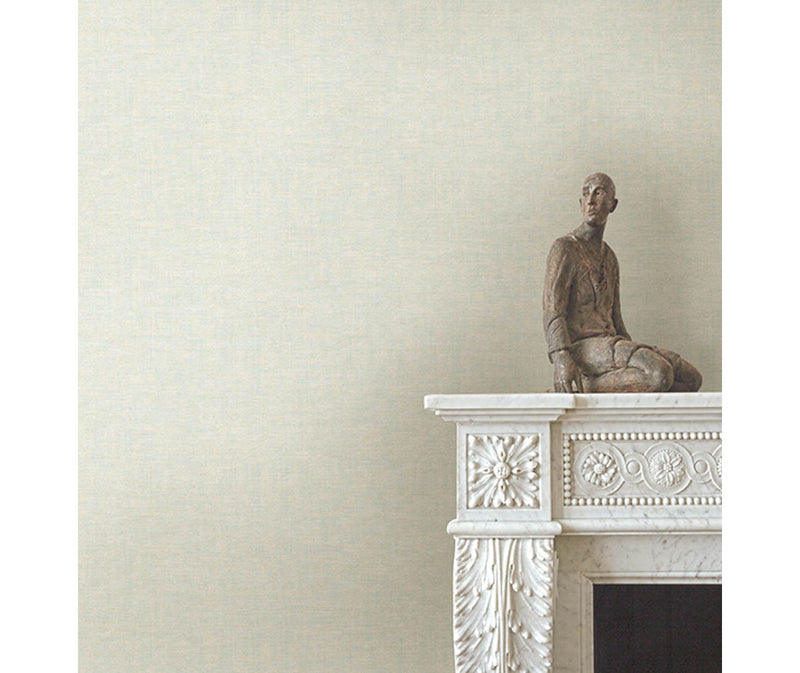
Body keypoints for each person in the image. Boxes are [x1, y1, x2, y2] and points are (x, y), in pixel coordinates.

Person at [542, 172, 702, 393]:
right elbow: (552, 310)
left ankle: (597, 385)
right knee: (659, 374)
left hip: (612, 346)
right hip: (583, 349)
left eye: (599, 193)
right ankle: (582, 386)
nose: (591, 201)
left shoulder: (609, 258)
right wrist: (561, 356)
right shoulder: (565, 248)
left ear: (612, 204)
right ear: (580, 203)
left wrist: (633, 353)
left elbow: (616, 318)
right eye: (586, 194)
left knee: (691, 379)